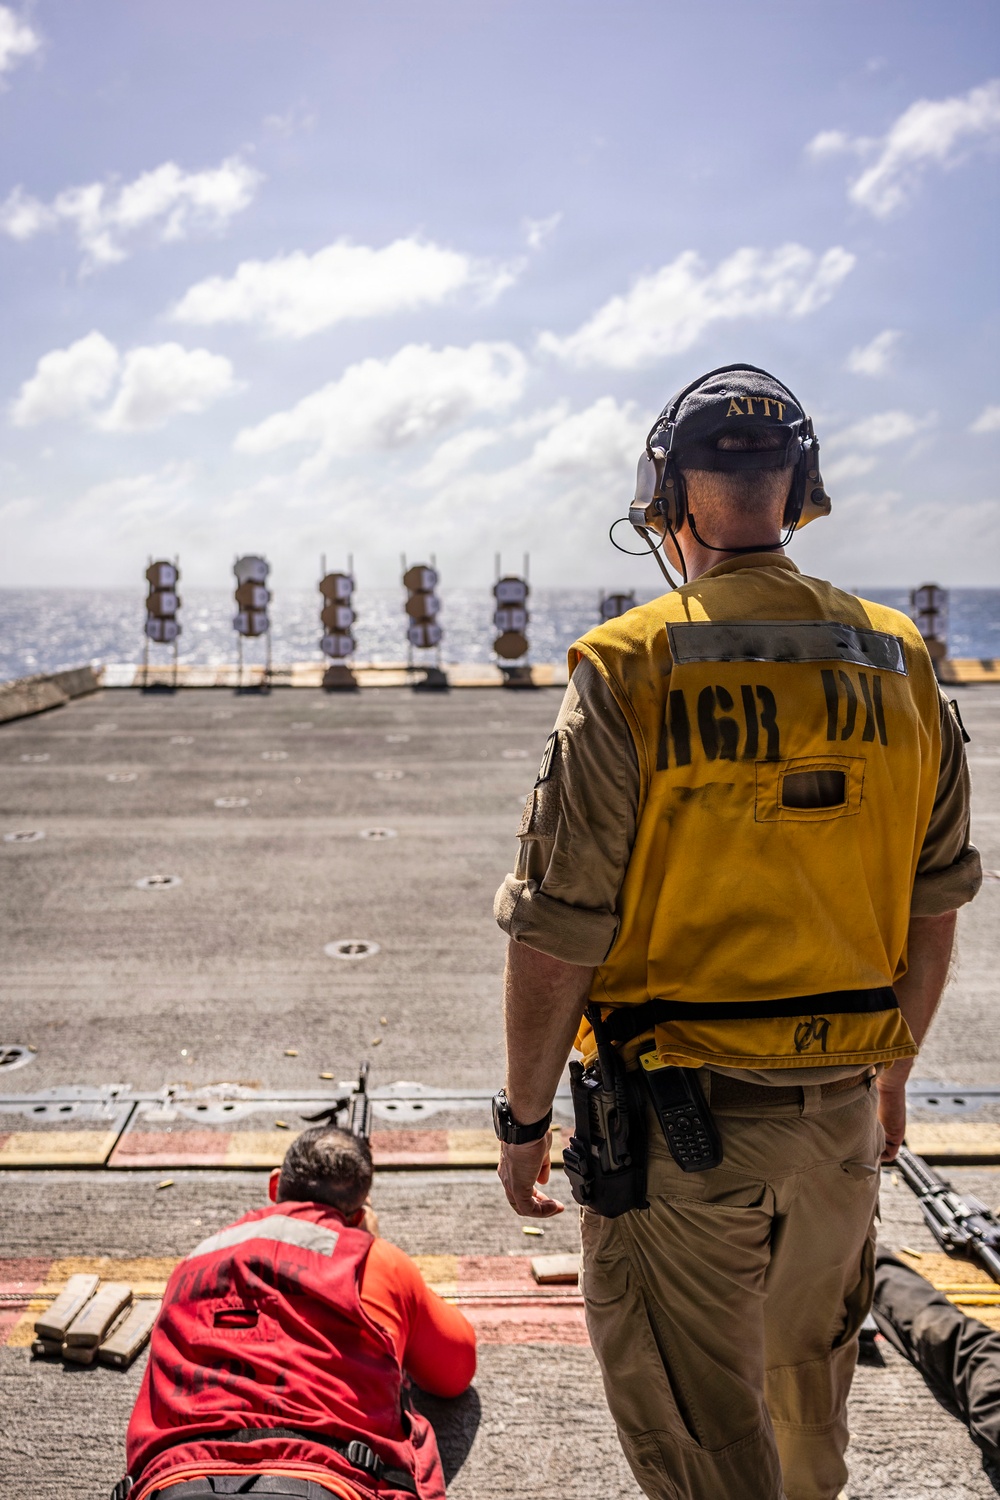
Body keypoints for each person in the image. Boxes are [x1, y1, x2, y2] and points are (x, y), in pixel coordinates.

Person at [491, 364, 982, 1500]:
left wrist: (521, 1120)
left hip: (679, 1145)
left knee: (701, 1444)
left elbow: (559, 931)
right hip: (841, 1131)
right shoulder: (903, 659)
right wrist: (888, 1079)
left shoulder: (628, 664)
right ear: (799, 490)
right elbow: (934, 896)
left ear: (665, 501)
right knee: (807, 1406)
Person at [116, 1124, 476, 1500]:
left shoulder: (193, 1260)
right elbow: (455, 1371)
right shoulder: (376, 1262)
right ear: (358, 1214)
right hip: (326, 1480)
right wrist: (370, 1242)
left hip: (176, 1482)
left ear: (275, 1186)